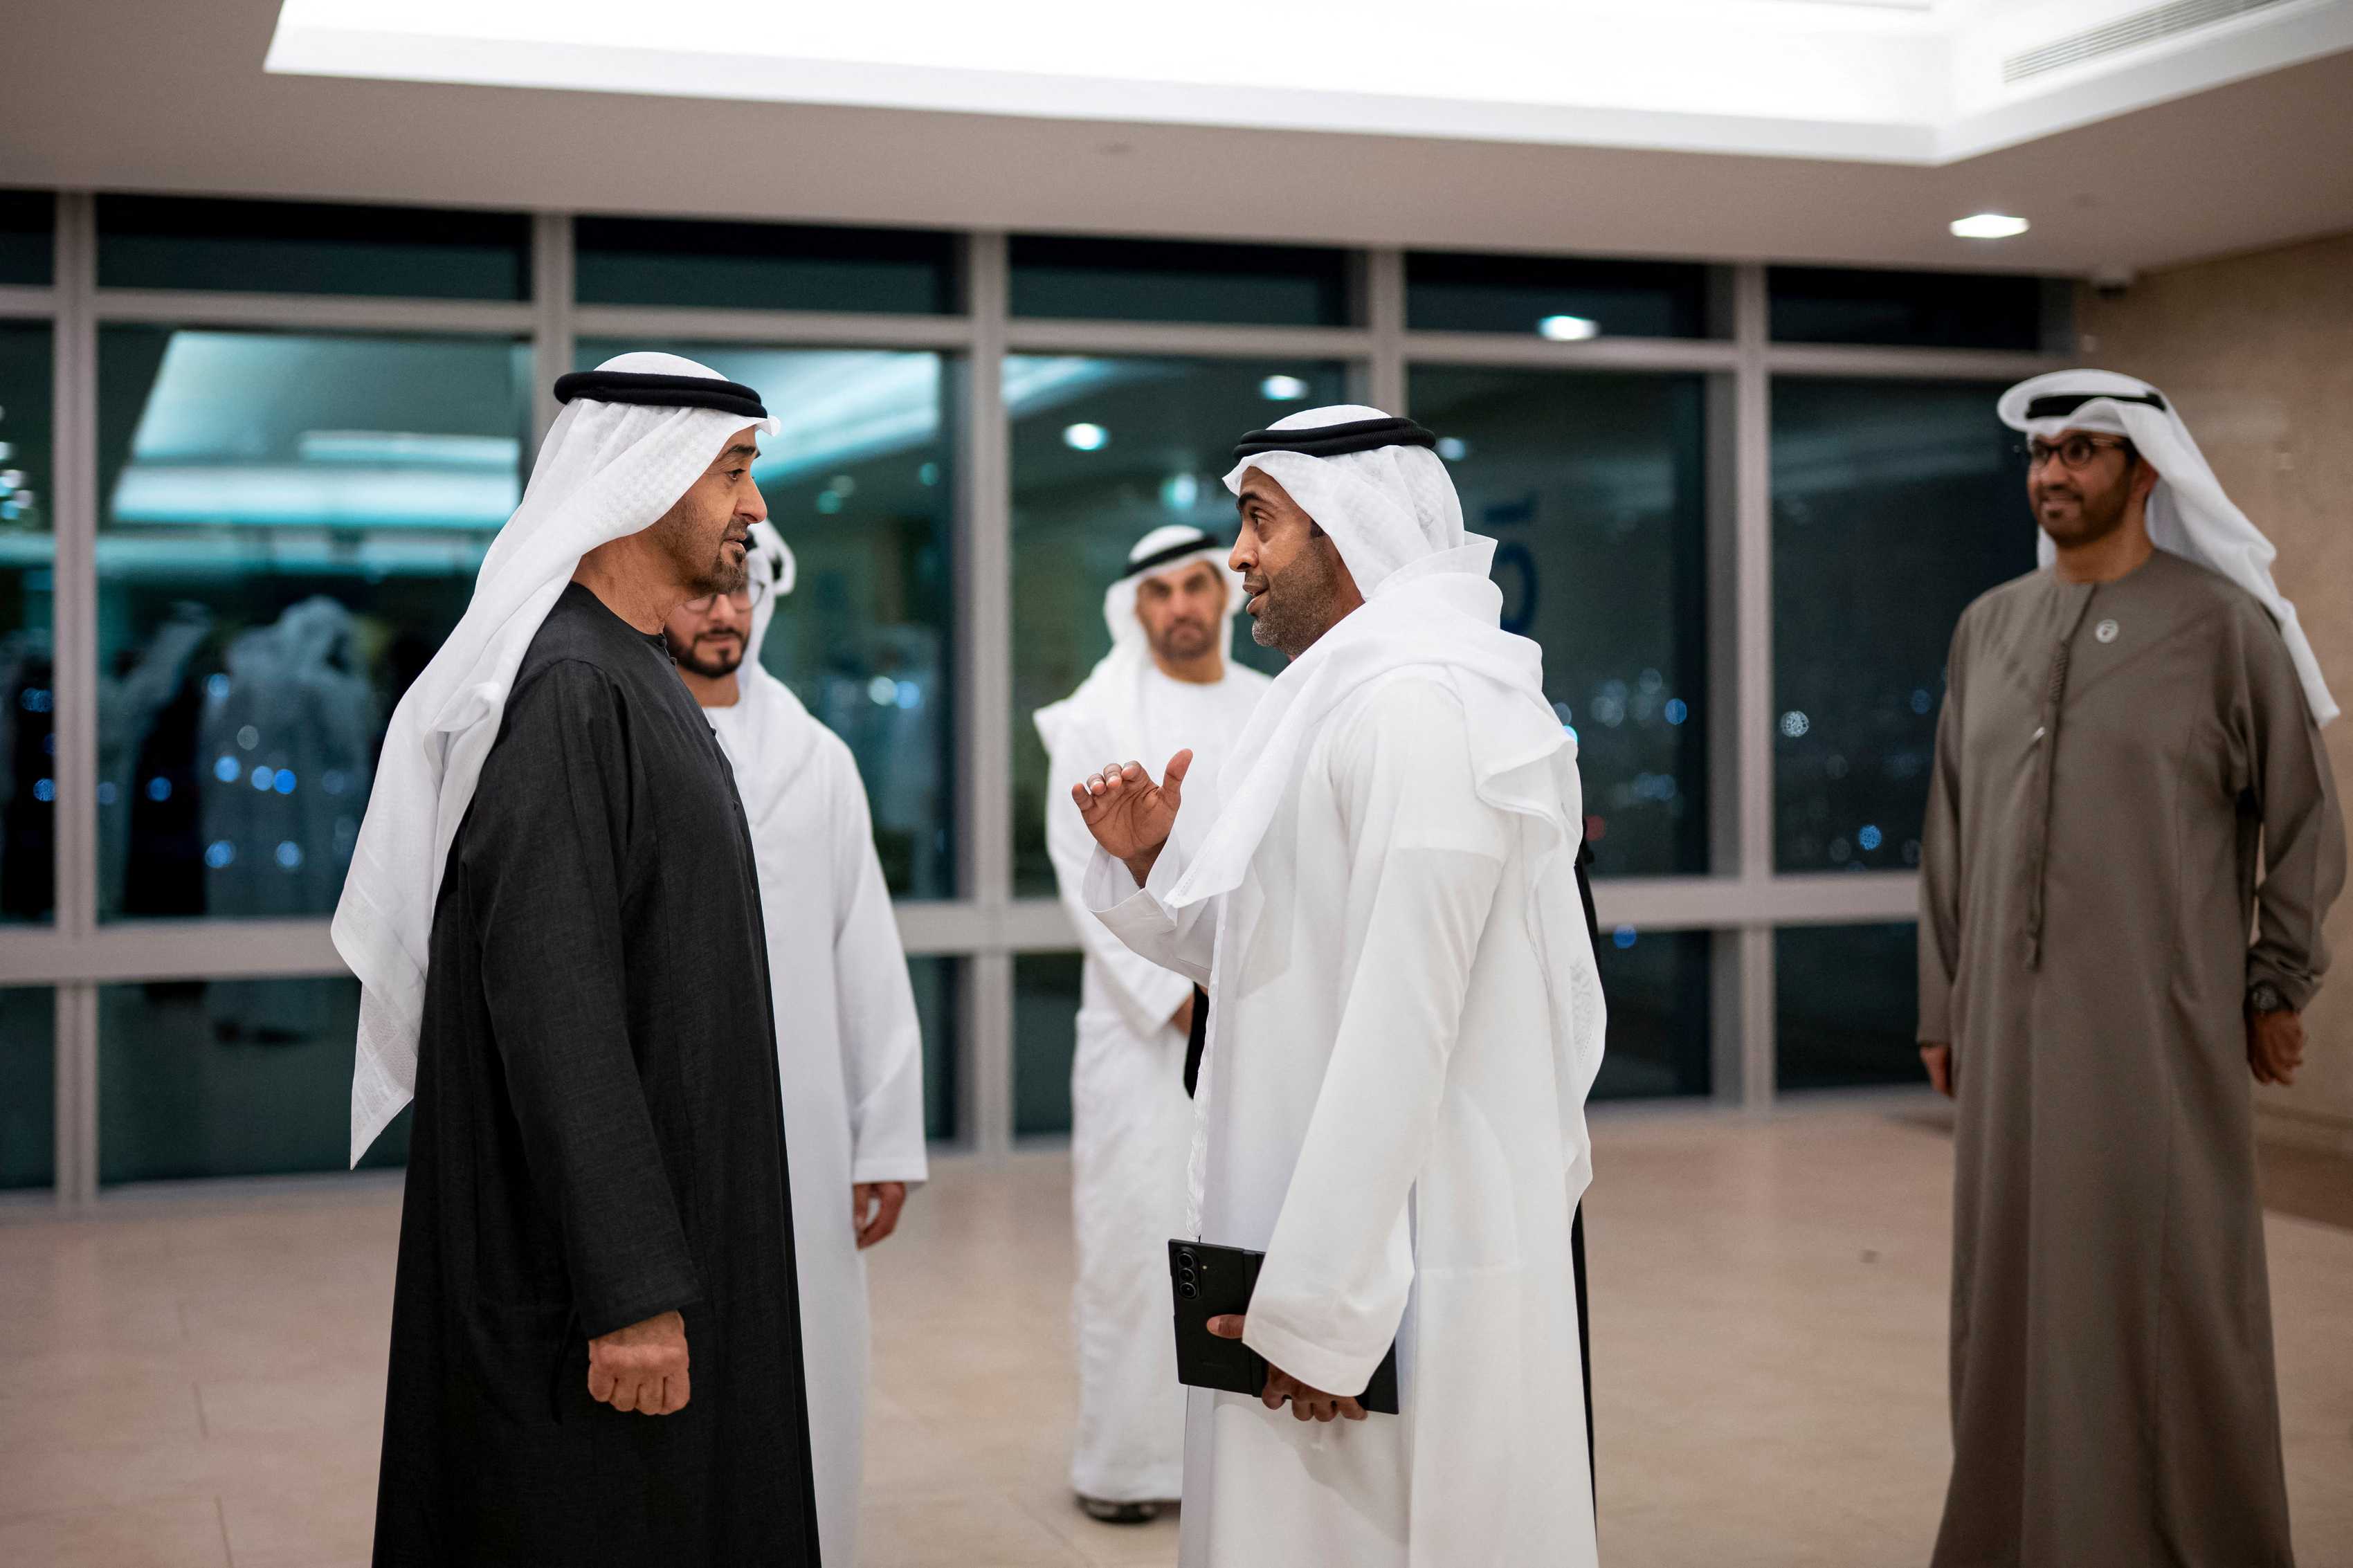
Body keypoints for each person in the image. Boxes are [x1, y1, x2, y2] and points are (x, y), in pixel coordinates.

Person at [1070, 406, 1606, 1567]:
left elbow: (1402, 1030)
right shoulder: (1343, 701)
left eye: (1259, 520)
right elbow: (1288, 954)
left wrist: (1320, 1311)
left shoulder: (1420, 708)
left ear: (1345, 526)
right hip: (1328, 1242)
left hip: (1400, 1262)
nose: (1239, 556)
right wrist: (1158, 863)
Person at [338, 354, 820, 1566]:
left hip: (680, 1220)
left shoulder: (630, 672)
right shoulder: (568, 688)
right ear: (644, 479)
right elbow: (557, 1007)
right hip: (590, 1289)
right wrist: (633, 1287)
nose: (755, 506)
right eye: (733, 470)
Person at [1918, 370, 2343, 1568]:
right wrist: (1943, 1006)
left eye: (2081, 451)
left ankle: (2183, 1536)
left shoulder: (2224, 627)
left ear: (2145, 469)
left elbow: (2307, 819)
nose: (2053, 472)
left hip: (2161, 1027)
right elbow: (1949, 831)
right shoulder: (1988, 625)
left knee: (2170, 1284)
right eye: (2041, 453)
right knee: (2008, 1285)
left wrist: (2276, 981)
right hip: (2004, 1032)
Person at [662, 520, 930, 1568]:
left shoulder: (819, 758)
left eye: (740, 592)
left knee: (811, 1349)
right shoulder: (629, 738)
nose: (723, 613)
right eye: (702, 591)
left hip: (806, 1130)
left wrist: (885, 1136)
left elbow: (866, 948)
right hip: (676, 1117)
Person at [1033, 523, 1271, 1523]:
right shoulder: (1099, 715)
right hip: (1144, 1039)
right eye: (1159, 592)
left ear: (1222, 593)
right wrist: (1189, 996)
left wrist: (1248, 999)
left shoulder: (1270, 704)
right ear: (1135, 608)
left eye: (1196, 585)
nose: (1181, 605)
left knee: (1247, 1235)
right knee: (1136, 1246)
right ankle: (1127, 1466)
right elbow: (1081, 869)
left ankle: (1237, 1465)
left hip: (1258, 1019)